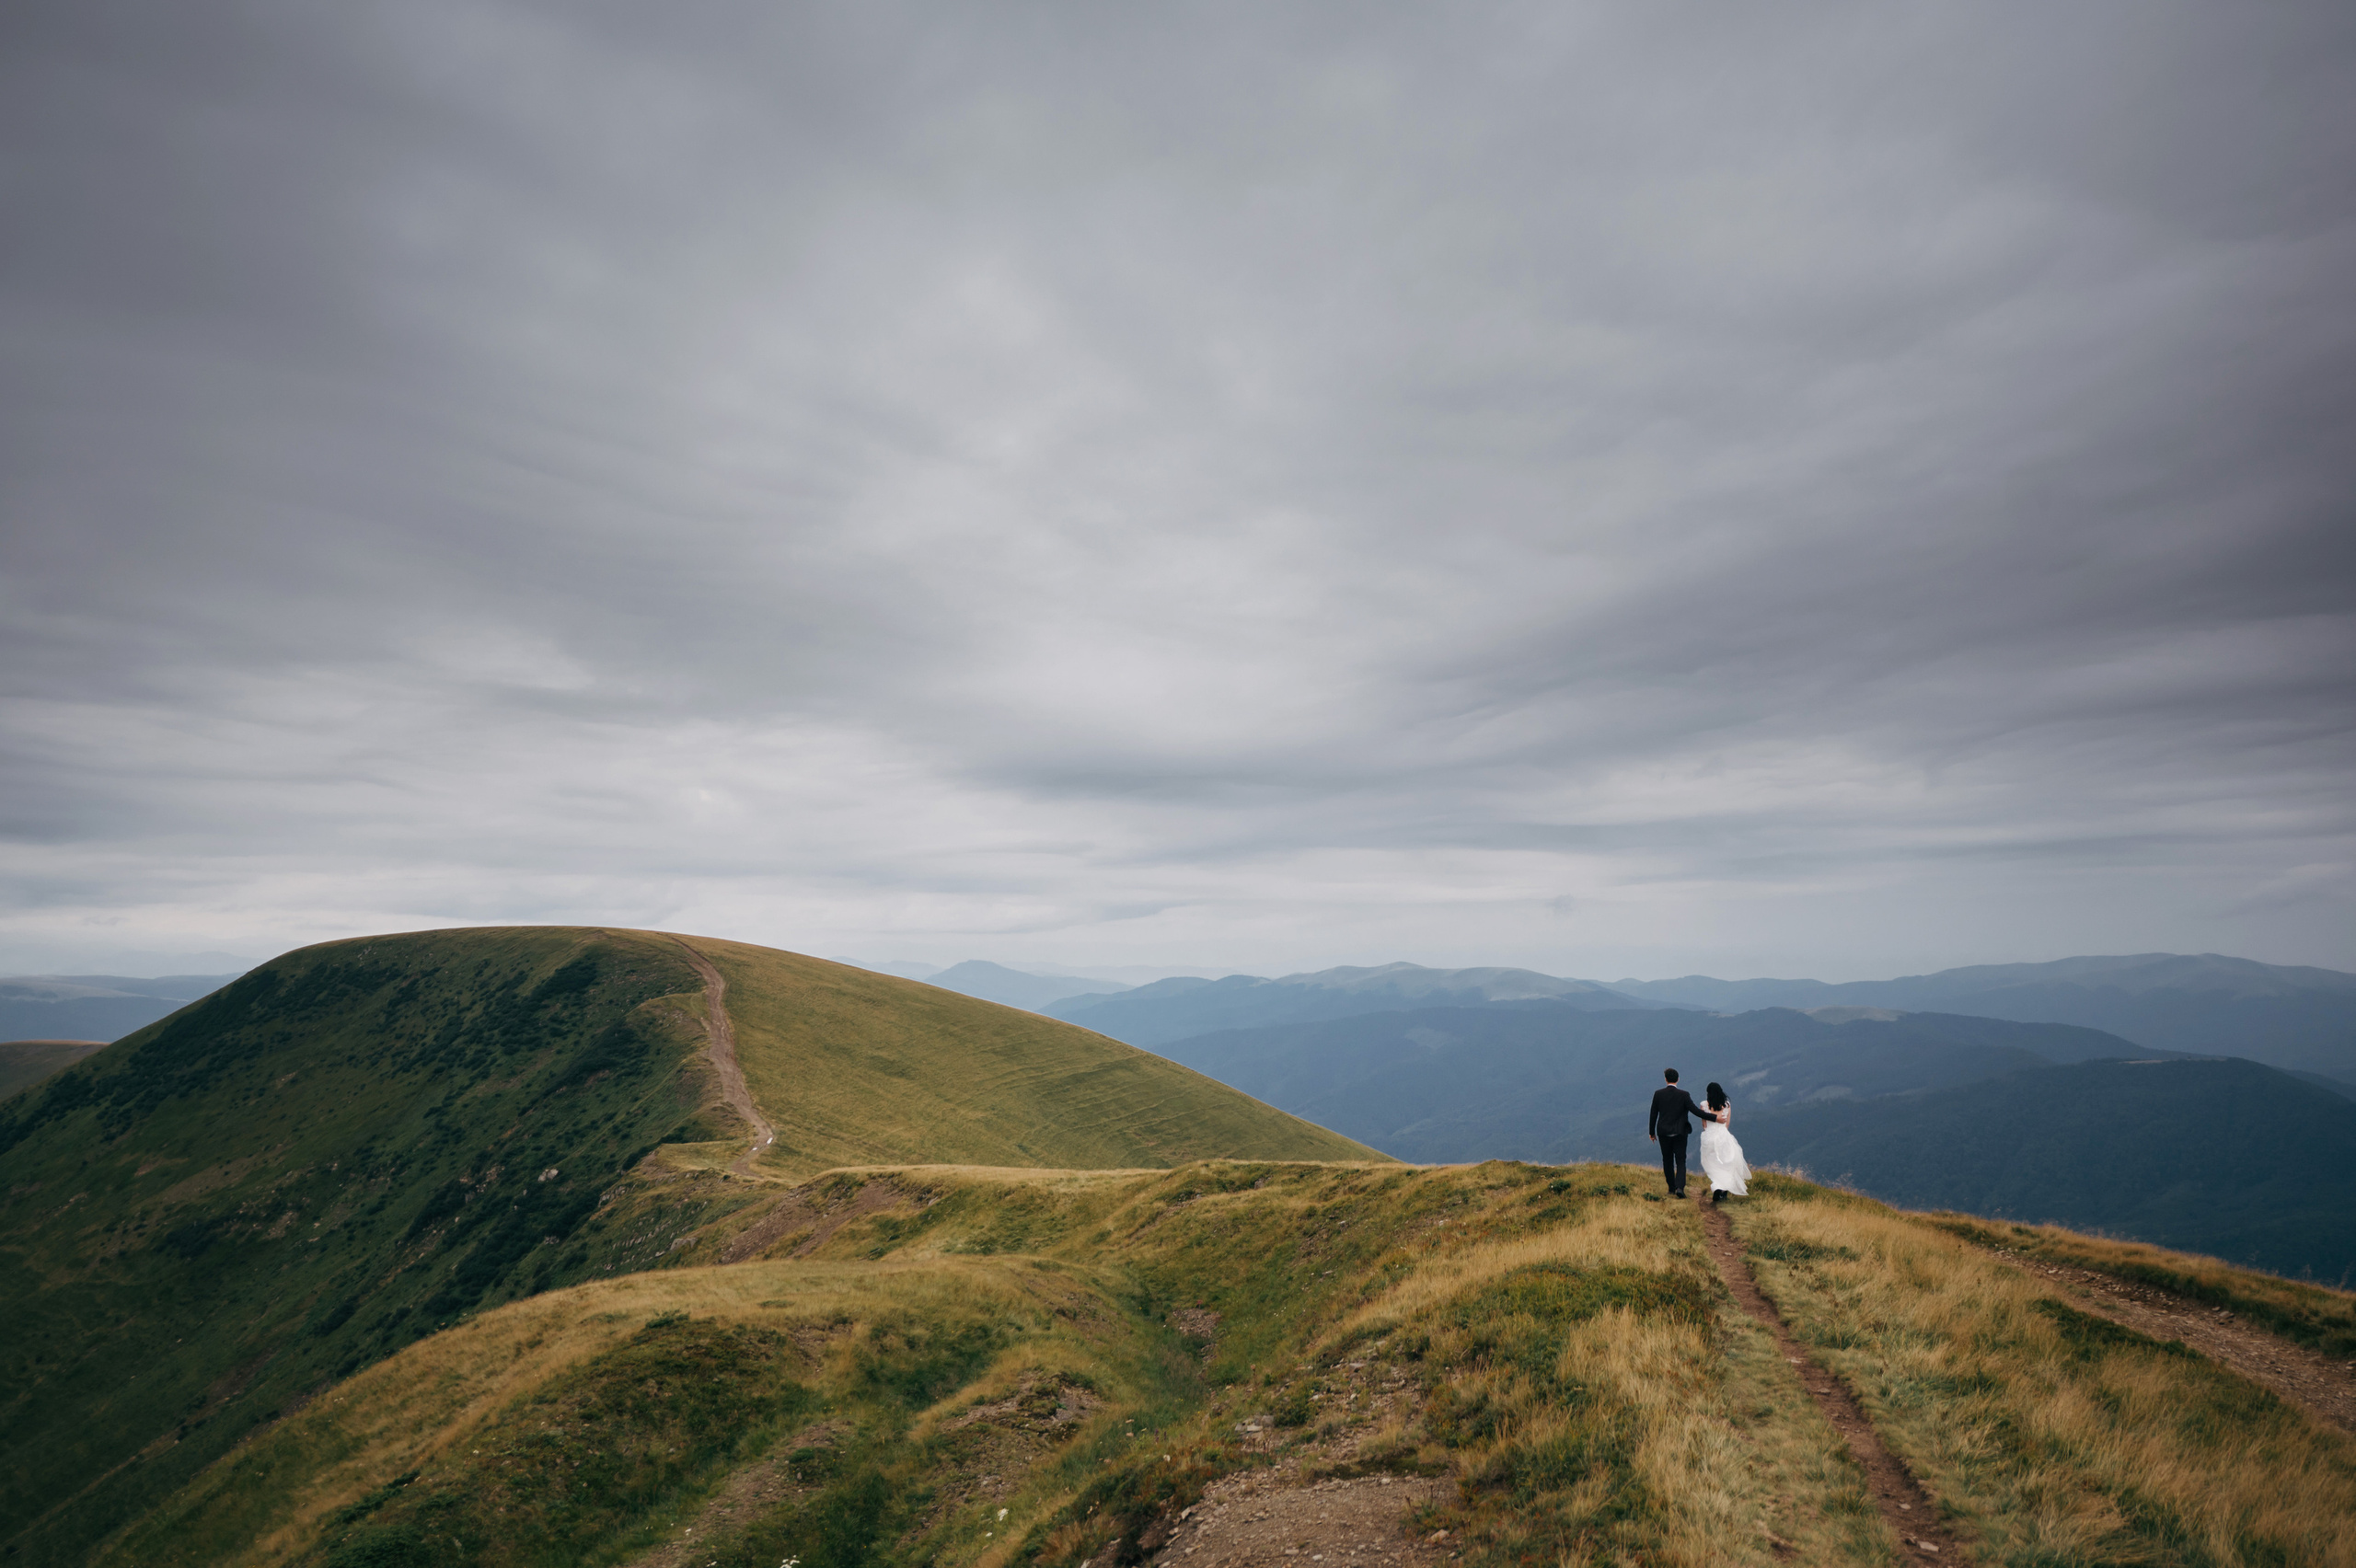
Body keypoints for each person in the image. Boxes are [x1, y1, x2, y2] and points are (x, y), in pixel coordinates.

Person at [1646, 1068, 1720, 1198]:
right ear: (1678, 1079)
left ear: (1665, 1079)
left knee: (1667, 1160)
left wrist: (1652, 1132)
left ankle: (1671, 1188)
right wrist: (1715, 1118)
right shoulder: (1684, 1095)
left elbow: (1653, 1114)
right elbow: (1696, 1111)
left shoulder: (1658, 1094)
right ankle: (1680, 1188)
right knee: (1680, 1161)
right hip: (1680, 1133)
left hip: (1663, 1132)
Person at [1696, 1080, 1750, 1203]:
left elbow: (1704, 1124)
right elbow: (1727, 1124)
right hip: (1723, 1136)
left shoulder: (1704, 1104)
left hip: (1709, 1137)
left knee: (1712, 1165)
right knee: (1727, 1165)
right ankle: (1723, 1190)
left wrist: (1710, 1131)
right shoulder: (1727, 1105)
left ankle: (1717, 1188)